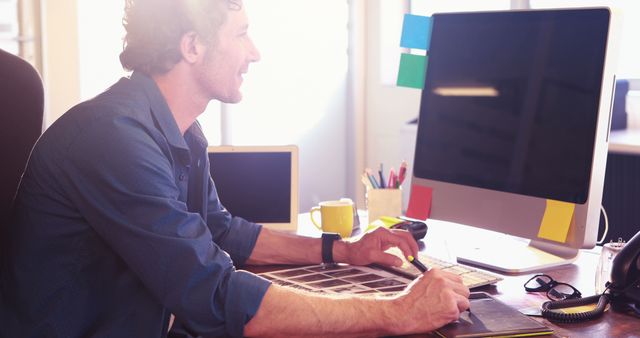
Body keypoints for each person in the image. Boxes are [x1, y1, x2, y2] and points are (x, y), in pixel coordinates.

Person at [0, 0, 470, 337]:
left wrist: (344, 252)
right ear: (192, 46)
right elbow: (216, 297)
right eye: (242, 32)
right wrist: (396, 311)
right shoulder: (114, 138)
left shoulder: (180, 130)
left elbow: (224, 234)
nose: (255, 52)